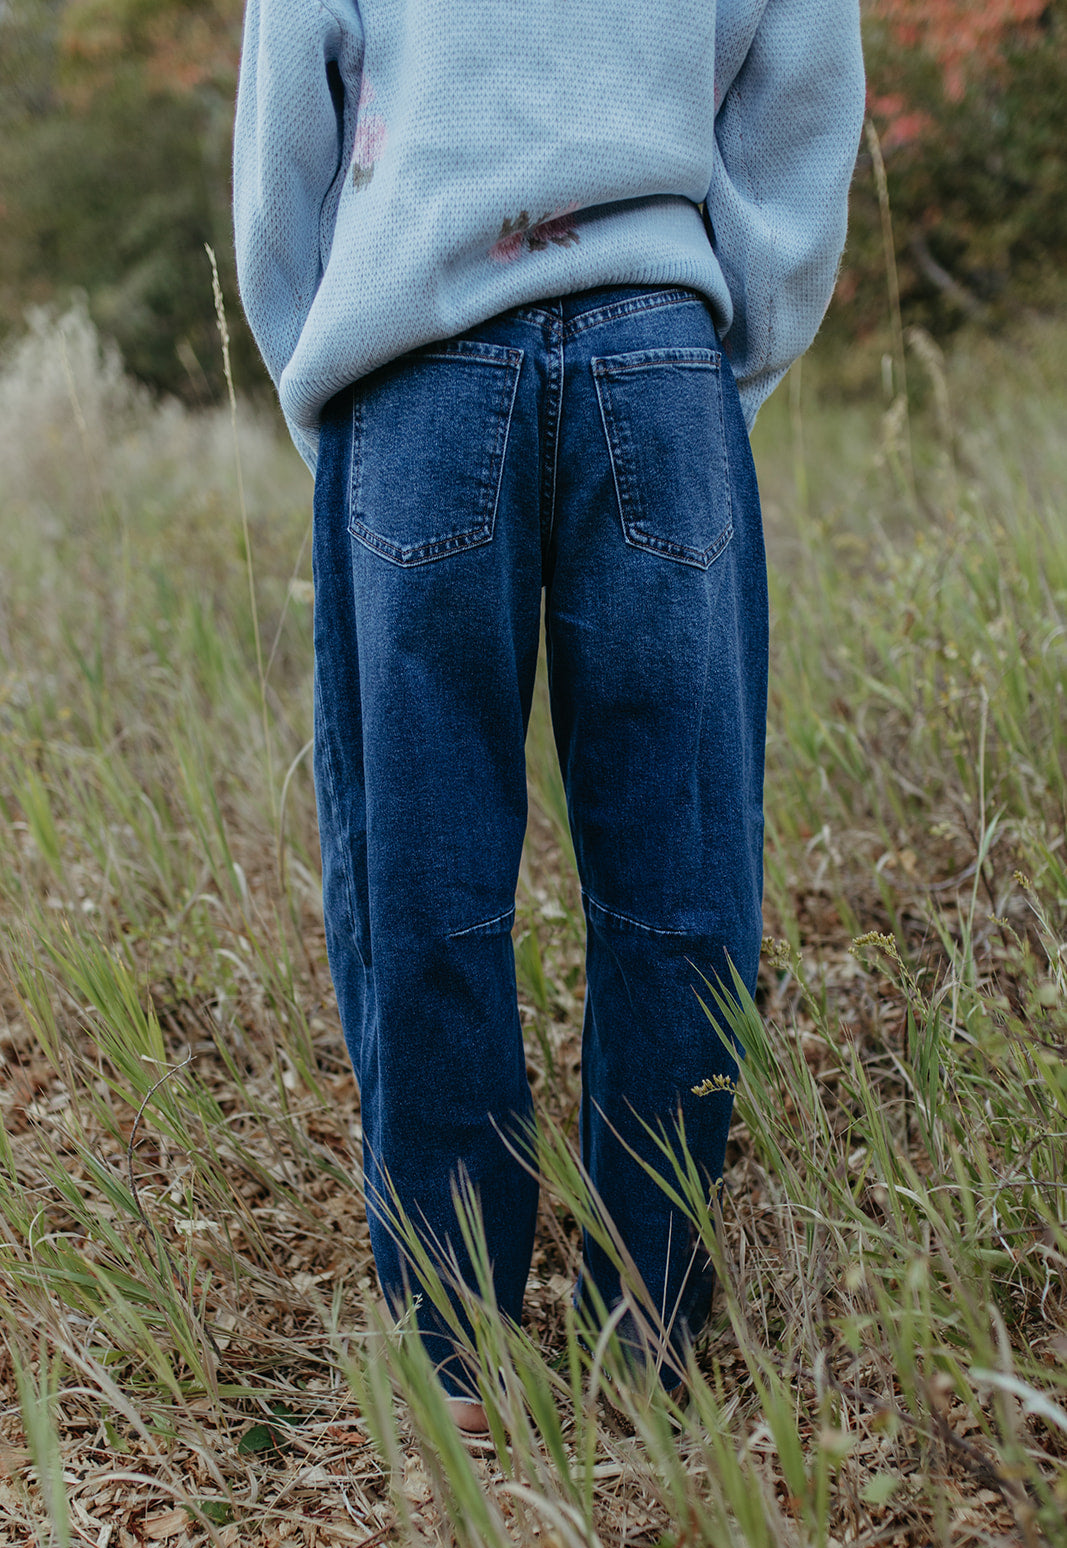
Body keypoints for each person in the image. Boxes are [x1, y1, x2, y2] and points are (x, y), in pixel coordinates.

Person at [234, 0, 865, 1436]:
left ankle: (456, 1349)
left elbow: (284, 150)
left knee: (419, 869)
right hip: (658, 346)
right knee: (681, 872)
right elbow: (799, 91)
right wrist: (715, 357)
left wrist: (334, 374)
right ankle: (647, 1336)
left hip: (416, 355)